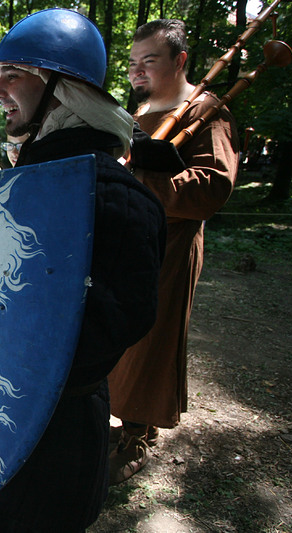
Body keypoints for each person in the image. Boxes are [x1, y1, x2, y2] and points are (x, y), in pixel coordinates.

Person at [0, 9, 166, 532]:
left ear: (64, 90)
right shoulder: (21, 190)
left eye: (11, 75)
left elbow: (107, 332)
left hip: (55, 438)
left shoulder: (113, 198)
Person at [107, 19, 239, 483]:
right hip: (124, 241)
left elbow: (213, 187)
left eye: (150, 61)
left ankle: (137, 433)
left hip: (169, 245)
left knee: (151, 337)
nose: (137, 71)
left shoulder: (206, 111)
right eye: (132, 63)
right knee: (117, 331)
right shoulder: (140, 110)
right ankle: (119, 416)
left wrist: (141, 182)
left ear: (180, 60)